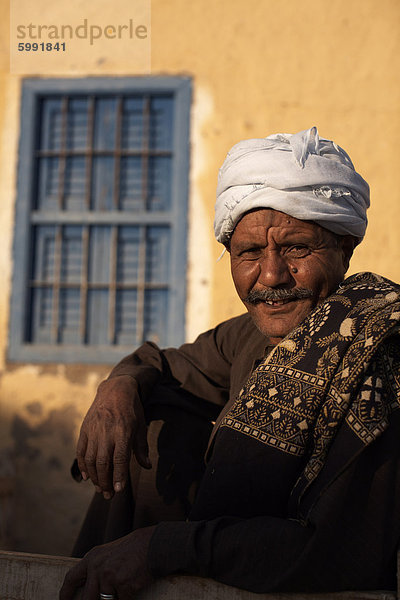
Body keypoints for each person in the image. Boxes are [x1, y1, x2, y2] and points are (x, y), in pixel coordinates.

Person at [60, 127, 400, 600]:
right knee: (157, 414)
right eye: (249, 253)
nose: (272, 275)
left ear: (344, 249)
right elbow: (170, 365)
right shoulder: (252, 334)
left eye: (297, 247)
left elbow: (332, 554)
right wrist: (116, 390)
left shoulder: (375, 355)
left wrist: (161, 548)